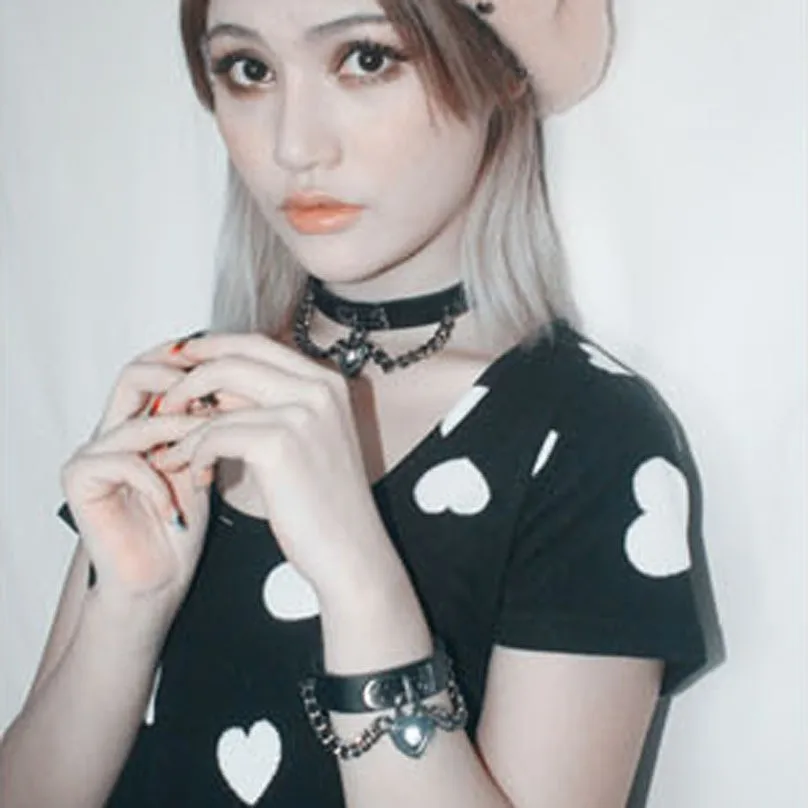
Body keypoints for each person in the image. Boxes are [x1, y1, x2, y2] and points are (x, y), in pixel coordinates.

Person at [0, 1, 708, 806]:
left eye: (367, 59)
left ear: (500, 69)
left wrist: (359, 579)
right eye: (249, 70)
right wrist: (127, 614)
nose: (294, 145)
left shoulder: (584, 438)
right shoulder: (189, 392)